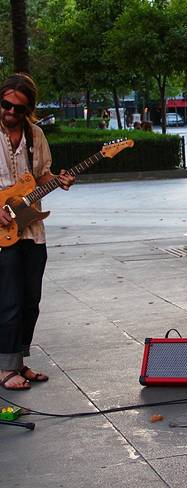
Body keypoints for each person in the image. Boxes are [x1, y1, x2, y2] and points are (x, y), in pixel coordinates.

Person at [0, 74, 75, 390]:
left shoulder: (35, 135)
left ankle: (18, 361)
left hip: (32, 229)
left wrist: (59, 180)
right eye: (5, 105)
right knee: (9, 300)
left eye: (18, 108)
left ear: (28, 109)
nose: (10, 112)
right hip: (2, 232)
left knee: (31, 300)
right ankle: (5, 369)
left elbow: (42, 175)